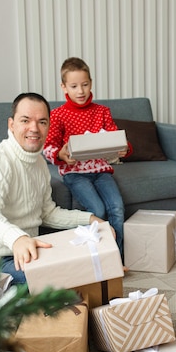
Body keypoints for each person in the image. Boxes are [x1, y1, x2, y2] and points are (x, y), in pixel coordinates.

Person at [0, 92, 107, 285]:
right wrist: (17, 239)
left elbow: (47, 213)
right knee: (64, 280)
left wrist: (89, 219)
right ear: (11, 124)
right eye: (25, 120)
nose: (34, 128)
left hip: (28, 251)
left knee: (81, 266)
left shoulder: (39, 164)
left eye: (42, 122)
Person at [43, 57, 131, 258]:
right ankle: (98, 256)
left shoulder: (102, 111)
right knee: (97, 211)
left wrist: (124, 148)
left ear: (91, 82)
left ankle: (117, 257)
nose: (80, 91)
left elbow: (115, 136)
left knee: (116, 207)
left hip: (101, 172)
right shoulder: (58, 115)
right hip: (75, 173)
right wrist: (61, 155)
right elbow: (48, 147)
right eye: (74, 86)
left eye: (85, 85)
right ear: (64, 87)